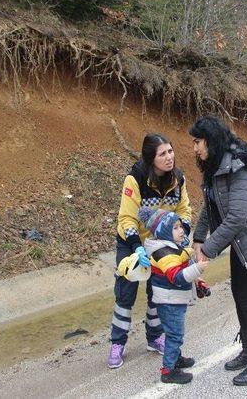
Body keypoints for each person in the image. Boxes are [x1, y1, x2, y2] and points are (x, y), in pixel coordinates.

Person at [189, 116, 247, 386]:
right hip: (241, 240)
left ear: (211, 140)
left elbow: (237, 217)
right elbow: (210, 207)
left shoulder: (238, 167)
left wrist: (208, 248)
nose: (195, 148)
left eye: (198, 142)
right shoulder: (216, 166)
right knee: (238, 294)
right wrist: (198, 237)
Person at [107, 133, 192, 369]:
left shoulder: (178, 179)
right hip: (131, 242)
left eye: (171, 151)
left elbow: (185, 210)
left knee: (158, 291)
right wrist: (136, 248)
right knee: (125, 293)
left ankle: (155, 337)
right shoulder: (135, 179)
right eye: (162, 154)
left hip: (160, 244)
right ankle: (117, 343)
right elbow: (126, 218)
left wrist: (181, 231)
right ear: (150, 159)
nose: (169, 157)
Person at [138, 206, 209, 384]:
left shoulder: (174, 248)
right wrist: (197, 268)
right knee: (174, 334)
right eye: (175, 227)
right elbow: (177, 277)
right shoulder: (164, 253)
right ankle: (168, 370)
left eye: (180, 226)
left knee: (174, 332)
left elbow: (185, 267)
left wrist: (198, 279)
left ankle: (176, 359)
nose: (181, 230)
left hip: (175, 299)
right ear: (163, 232)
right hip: (169, 301)